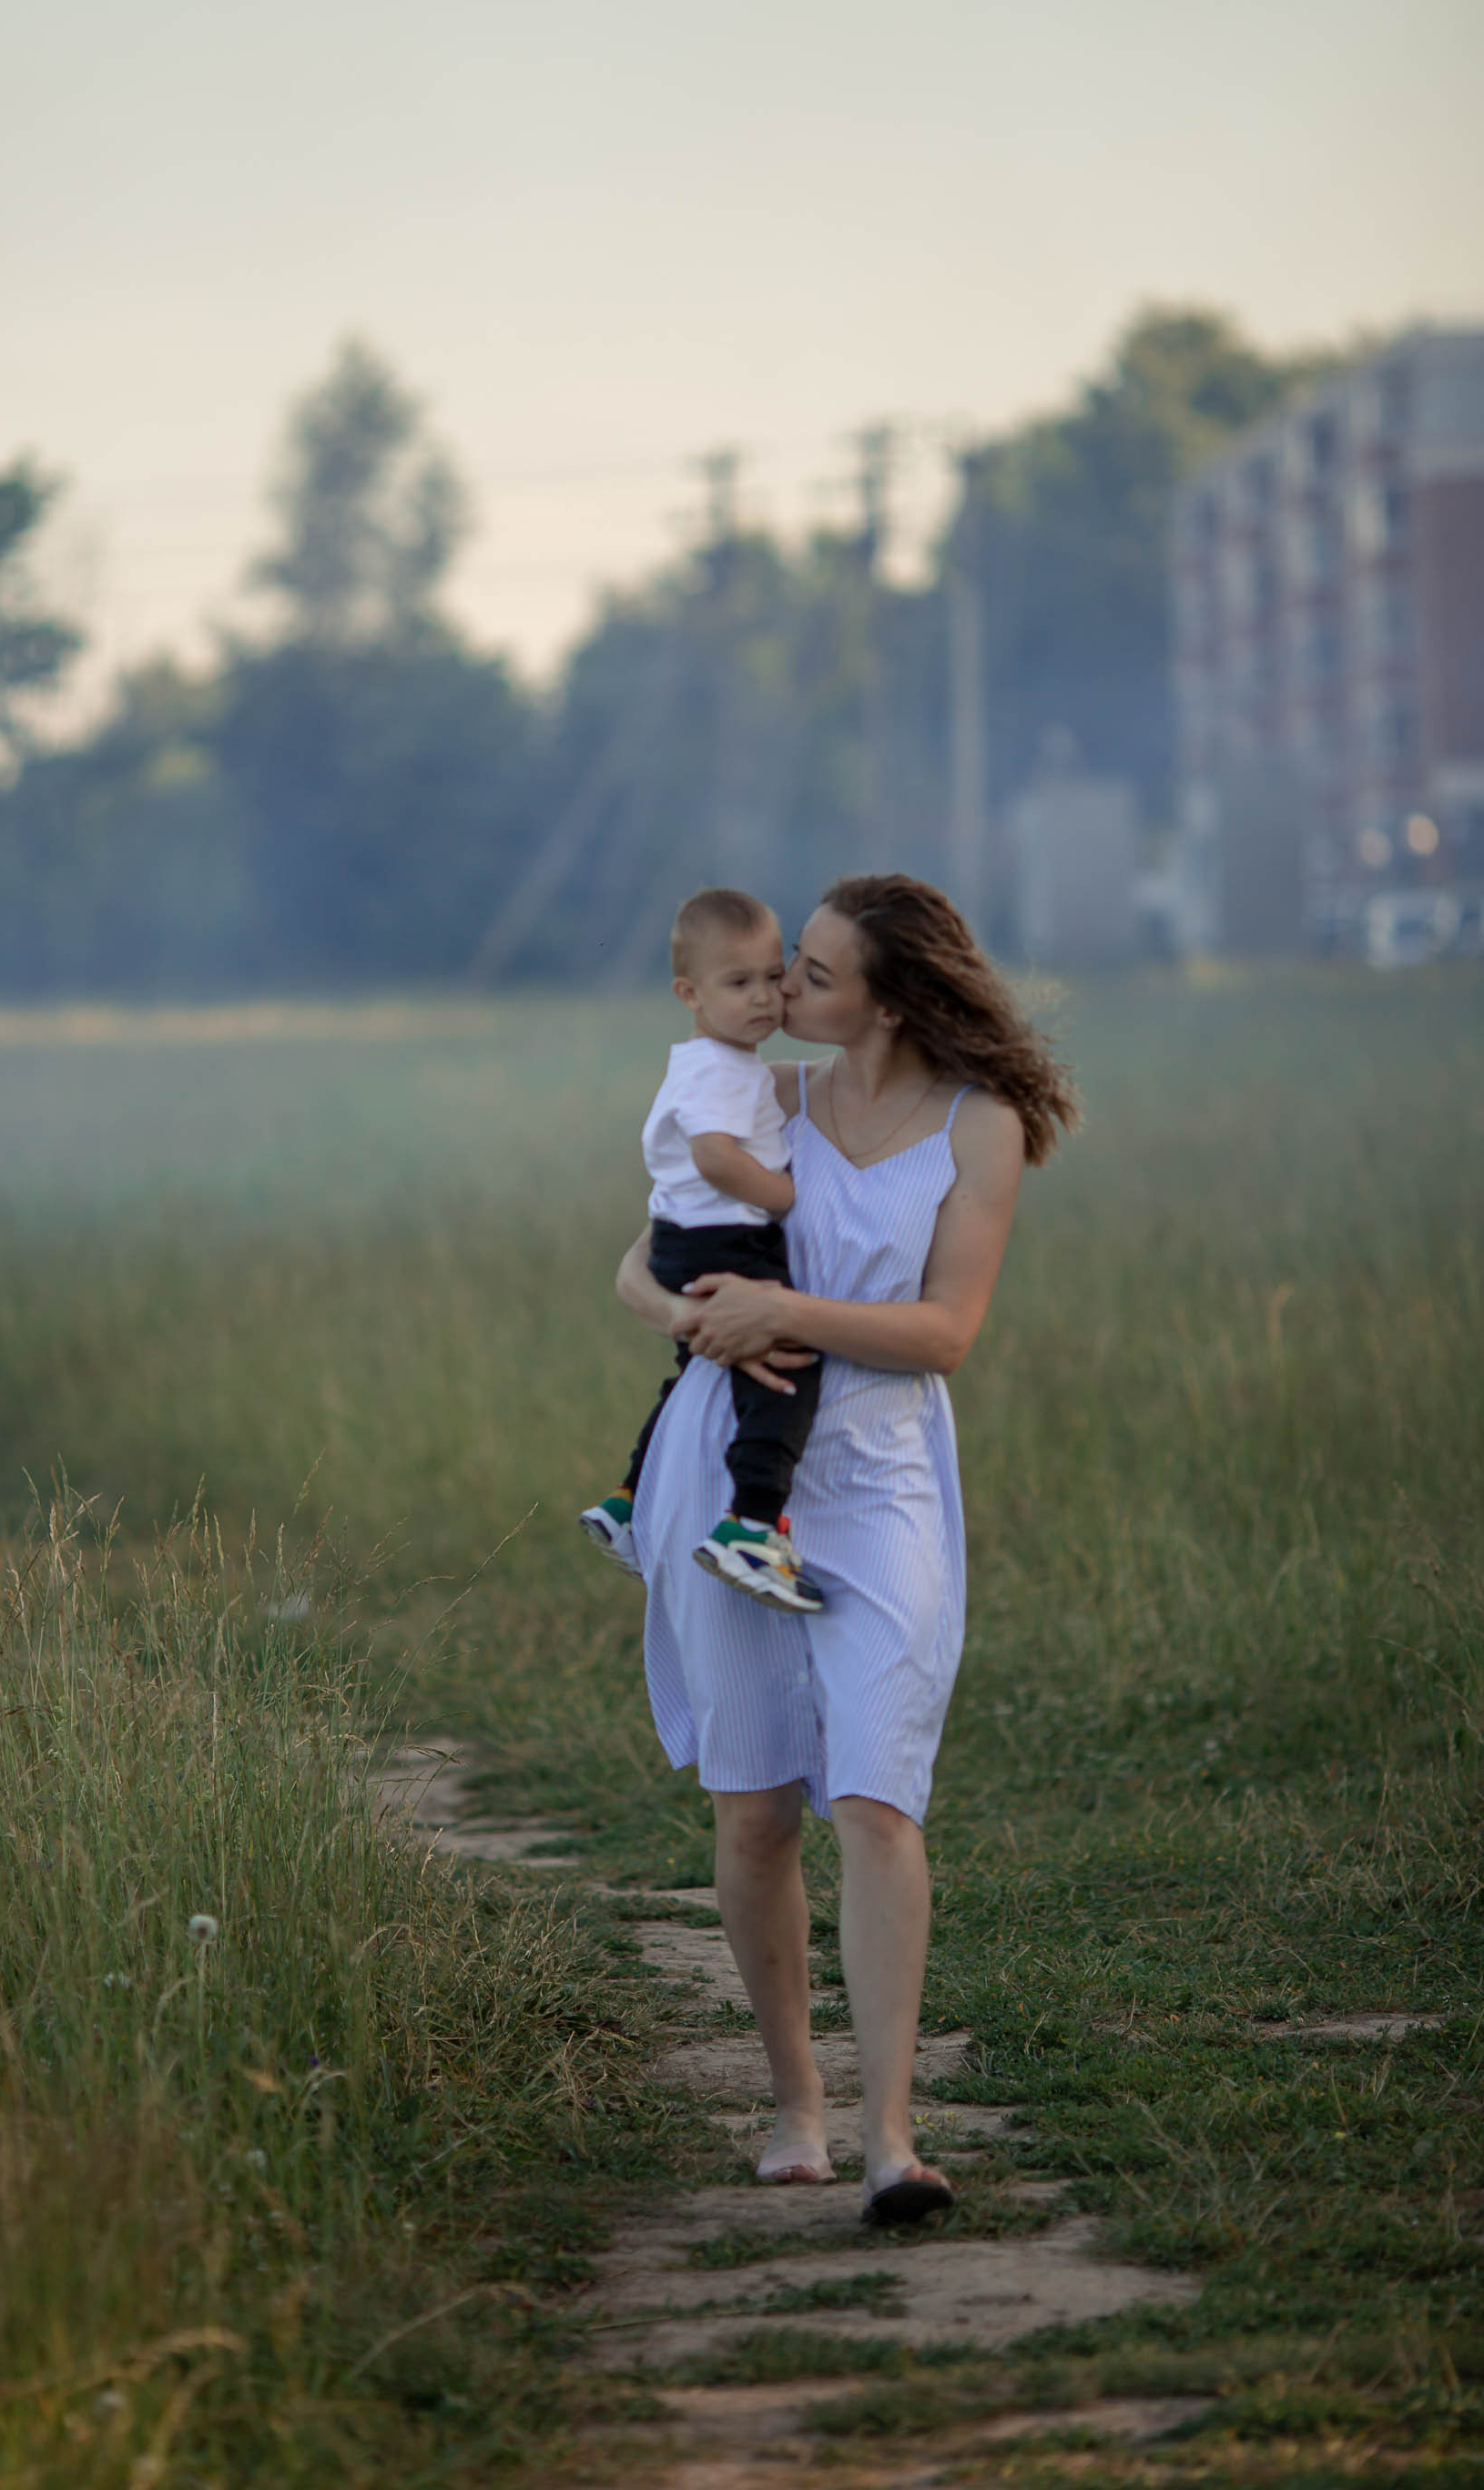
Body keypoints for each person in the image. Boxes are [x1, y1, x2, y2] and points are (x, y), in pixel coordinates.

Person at [615, 874, 1076, 2226]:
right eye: (780, 969)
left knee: (876, 1798)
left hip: (881, 1480)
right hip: (730, 1465)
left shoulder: (978, 1125)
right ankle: (795, 2106)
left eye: (810, 974)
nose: (780, 990)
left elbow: (944, 1335)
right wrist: (691, 1318)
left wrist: (783, 1308)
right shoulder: (760, 1099)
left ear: (886, 999)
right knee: (756, 1810)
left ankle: (892, 2140)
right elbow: (634, 1268)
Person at [580, 887, 825, 1614]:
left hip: (686, 1239)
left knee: (694, 1374)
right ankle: (752, 1524)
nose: (764, 997)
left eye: (772, 975)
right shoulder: (718, 1068)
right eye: (738, 982)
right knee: (787, 1371)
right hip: (728, 1239)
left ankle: (629, 1500)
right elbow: (716, 1157)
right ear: (689, 993)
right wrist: (782, 1196)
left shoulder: (719, 1062)